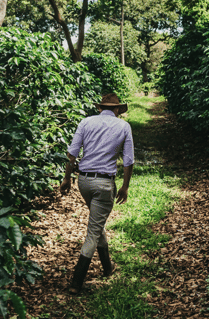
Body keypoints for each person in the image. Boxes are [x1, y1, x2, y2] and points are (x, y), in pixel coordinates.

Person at [59, 93, 134, 294]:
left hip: (83, 181)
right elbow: (128, 160)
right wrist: (125, 186)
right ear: (117, 110)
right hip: (104, 183)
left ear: (100, 108)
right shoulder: (124, 127)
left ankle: (108, 269)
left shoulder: (86, 122)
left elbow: (72, 154)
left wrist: (67, 178)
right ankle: (76, 283)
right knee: (93, 231)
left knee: (96, 222)